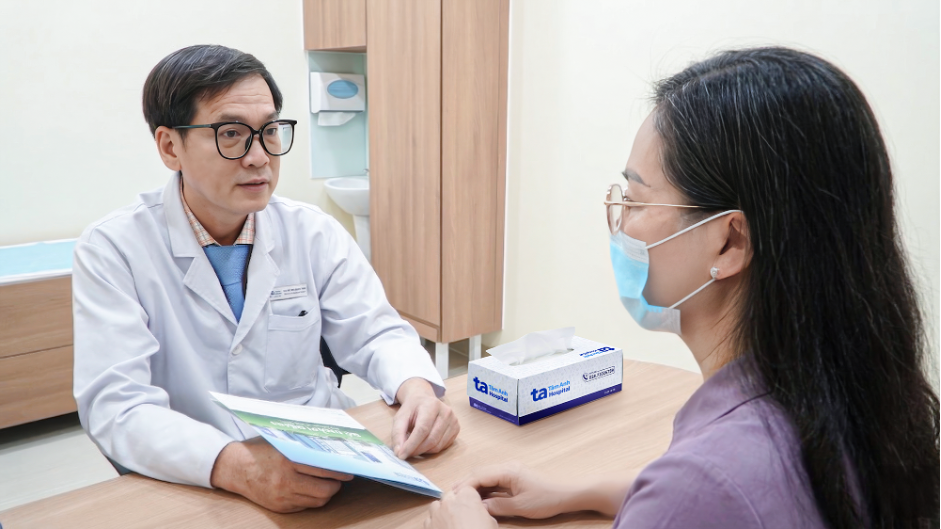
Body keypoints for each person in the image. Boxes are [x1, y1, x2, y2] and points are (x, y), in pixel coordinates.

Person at [425, 47, 940, 529]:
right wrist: (579, 490)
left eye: (636, 200)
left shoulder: (703, 483)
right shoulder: (859, 397)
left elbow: (703, 494)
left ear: (730, 242)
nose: (621, 223)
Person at [72, 45, 459, 514]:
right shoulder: (114, 249)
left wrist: (416, 388)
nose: (259, 157)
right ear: (170, 147)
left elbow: (375, 332)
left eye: (270, 131)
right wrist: (238, 467)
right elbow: (117, 407)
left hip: (328, 465)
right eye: (231, 134)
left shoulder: (311, 231)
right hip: (197, 478)